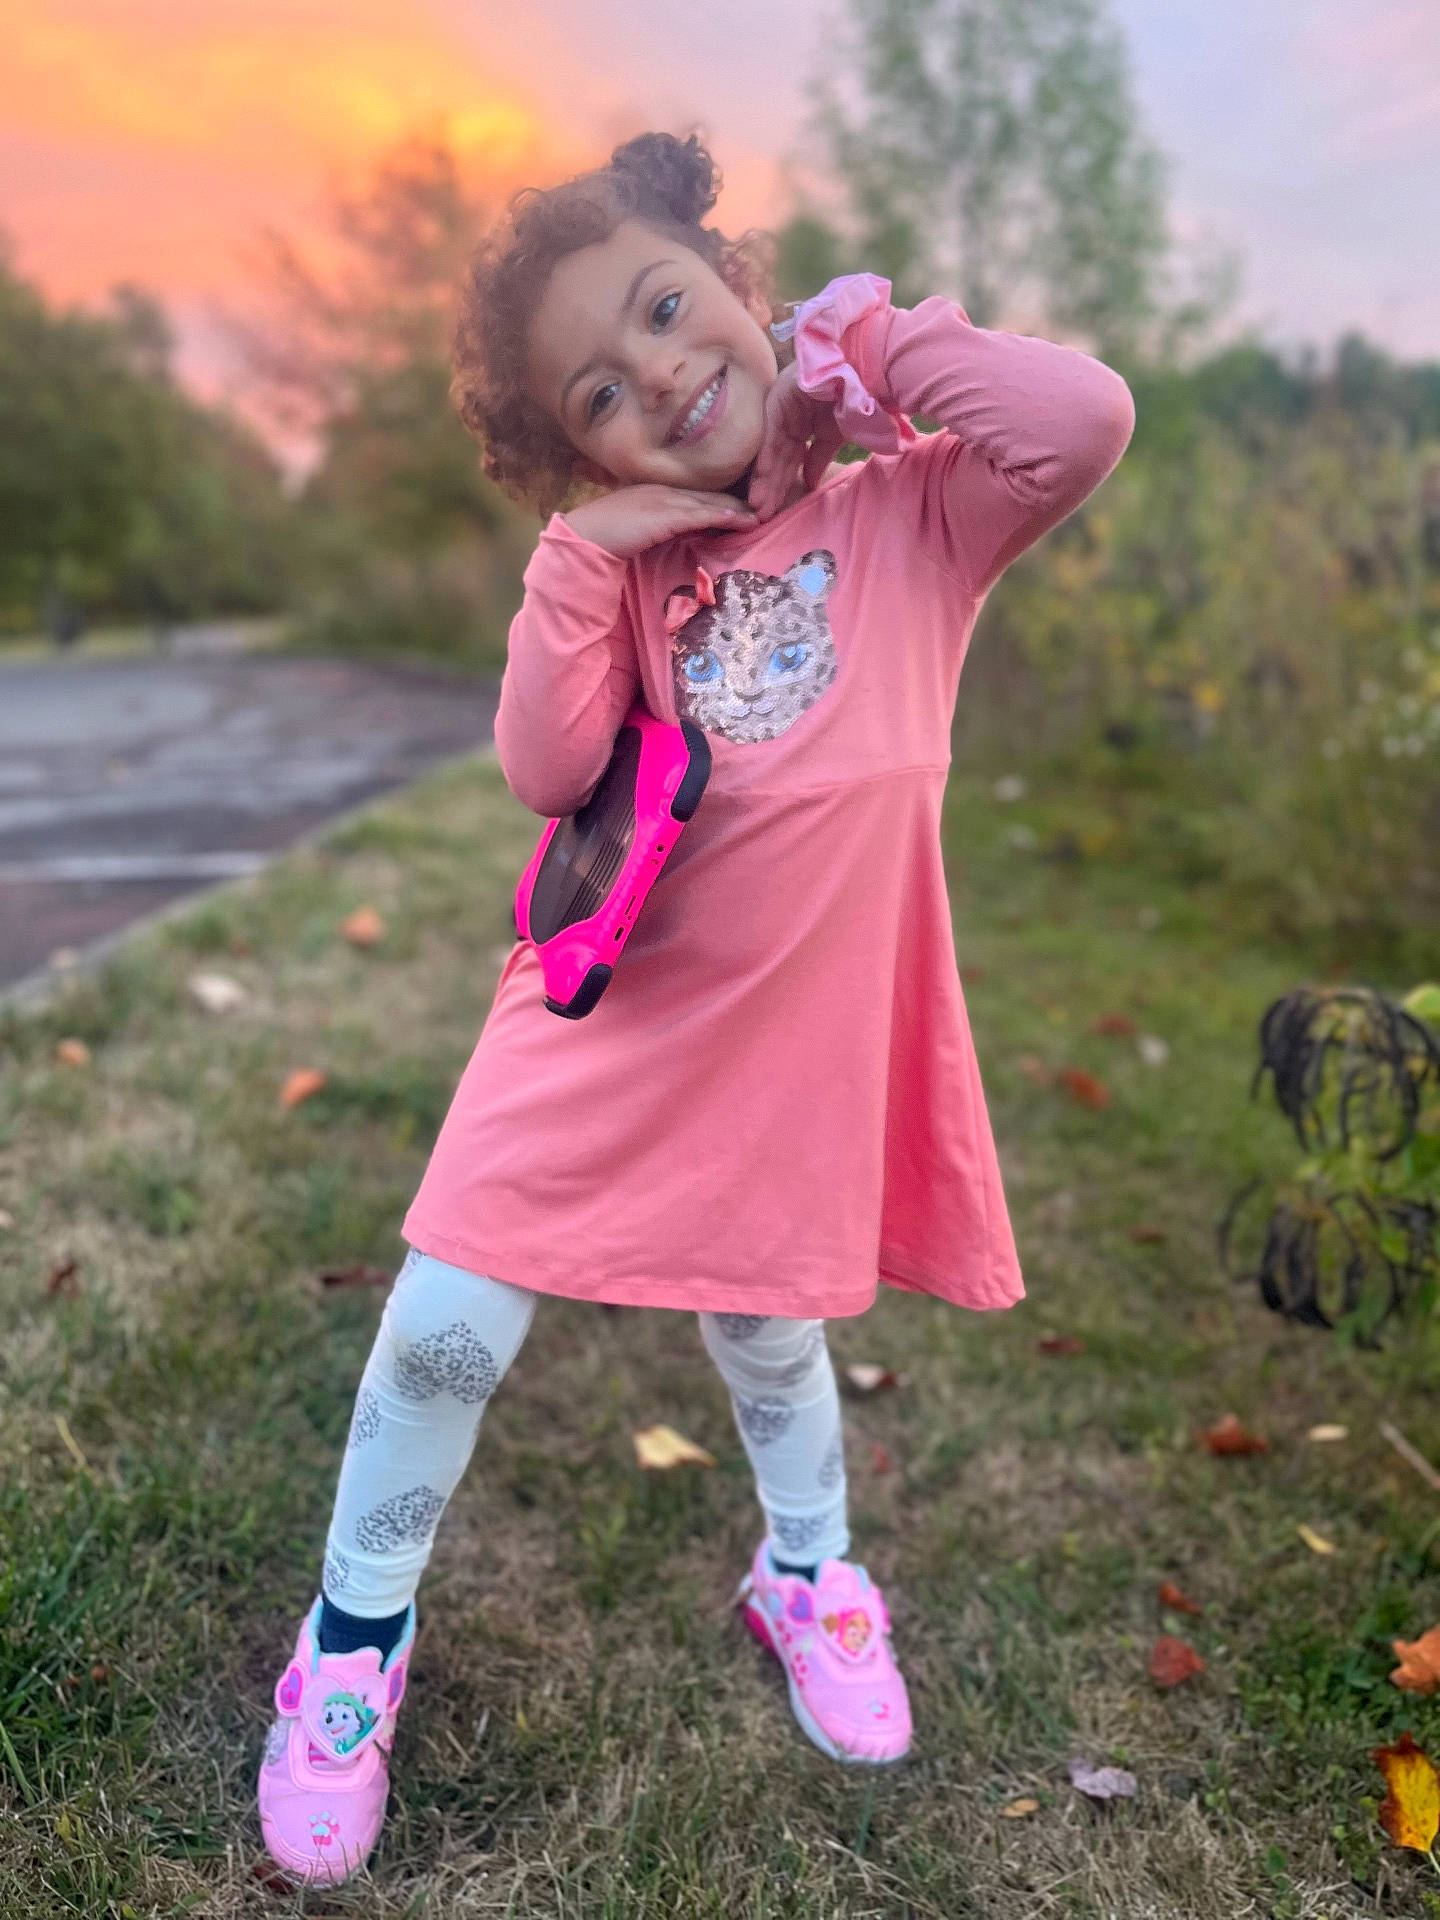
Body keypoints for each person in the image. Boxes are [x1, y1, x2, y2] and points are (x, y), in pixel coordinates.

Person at [256, 129, 1135, 1886]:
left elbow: (1079, 420)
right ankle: (350, 1645)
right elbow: (546, 763)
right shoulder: (631, 576)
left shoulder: (913, 521)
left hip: (794, 1042)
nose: (660, 372)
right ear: (577, 449)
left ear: (741, 290)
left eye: (671, 310)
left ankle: (805, 1572)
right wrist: (589, 556)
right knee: (444, 1321)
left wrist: (868, 340)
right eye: (601, 389)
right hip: (604, 1020)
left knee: (768, 1328)